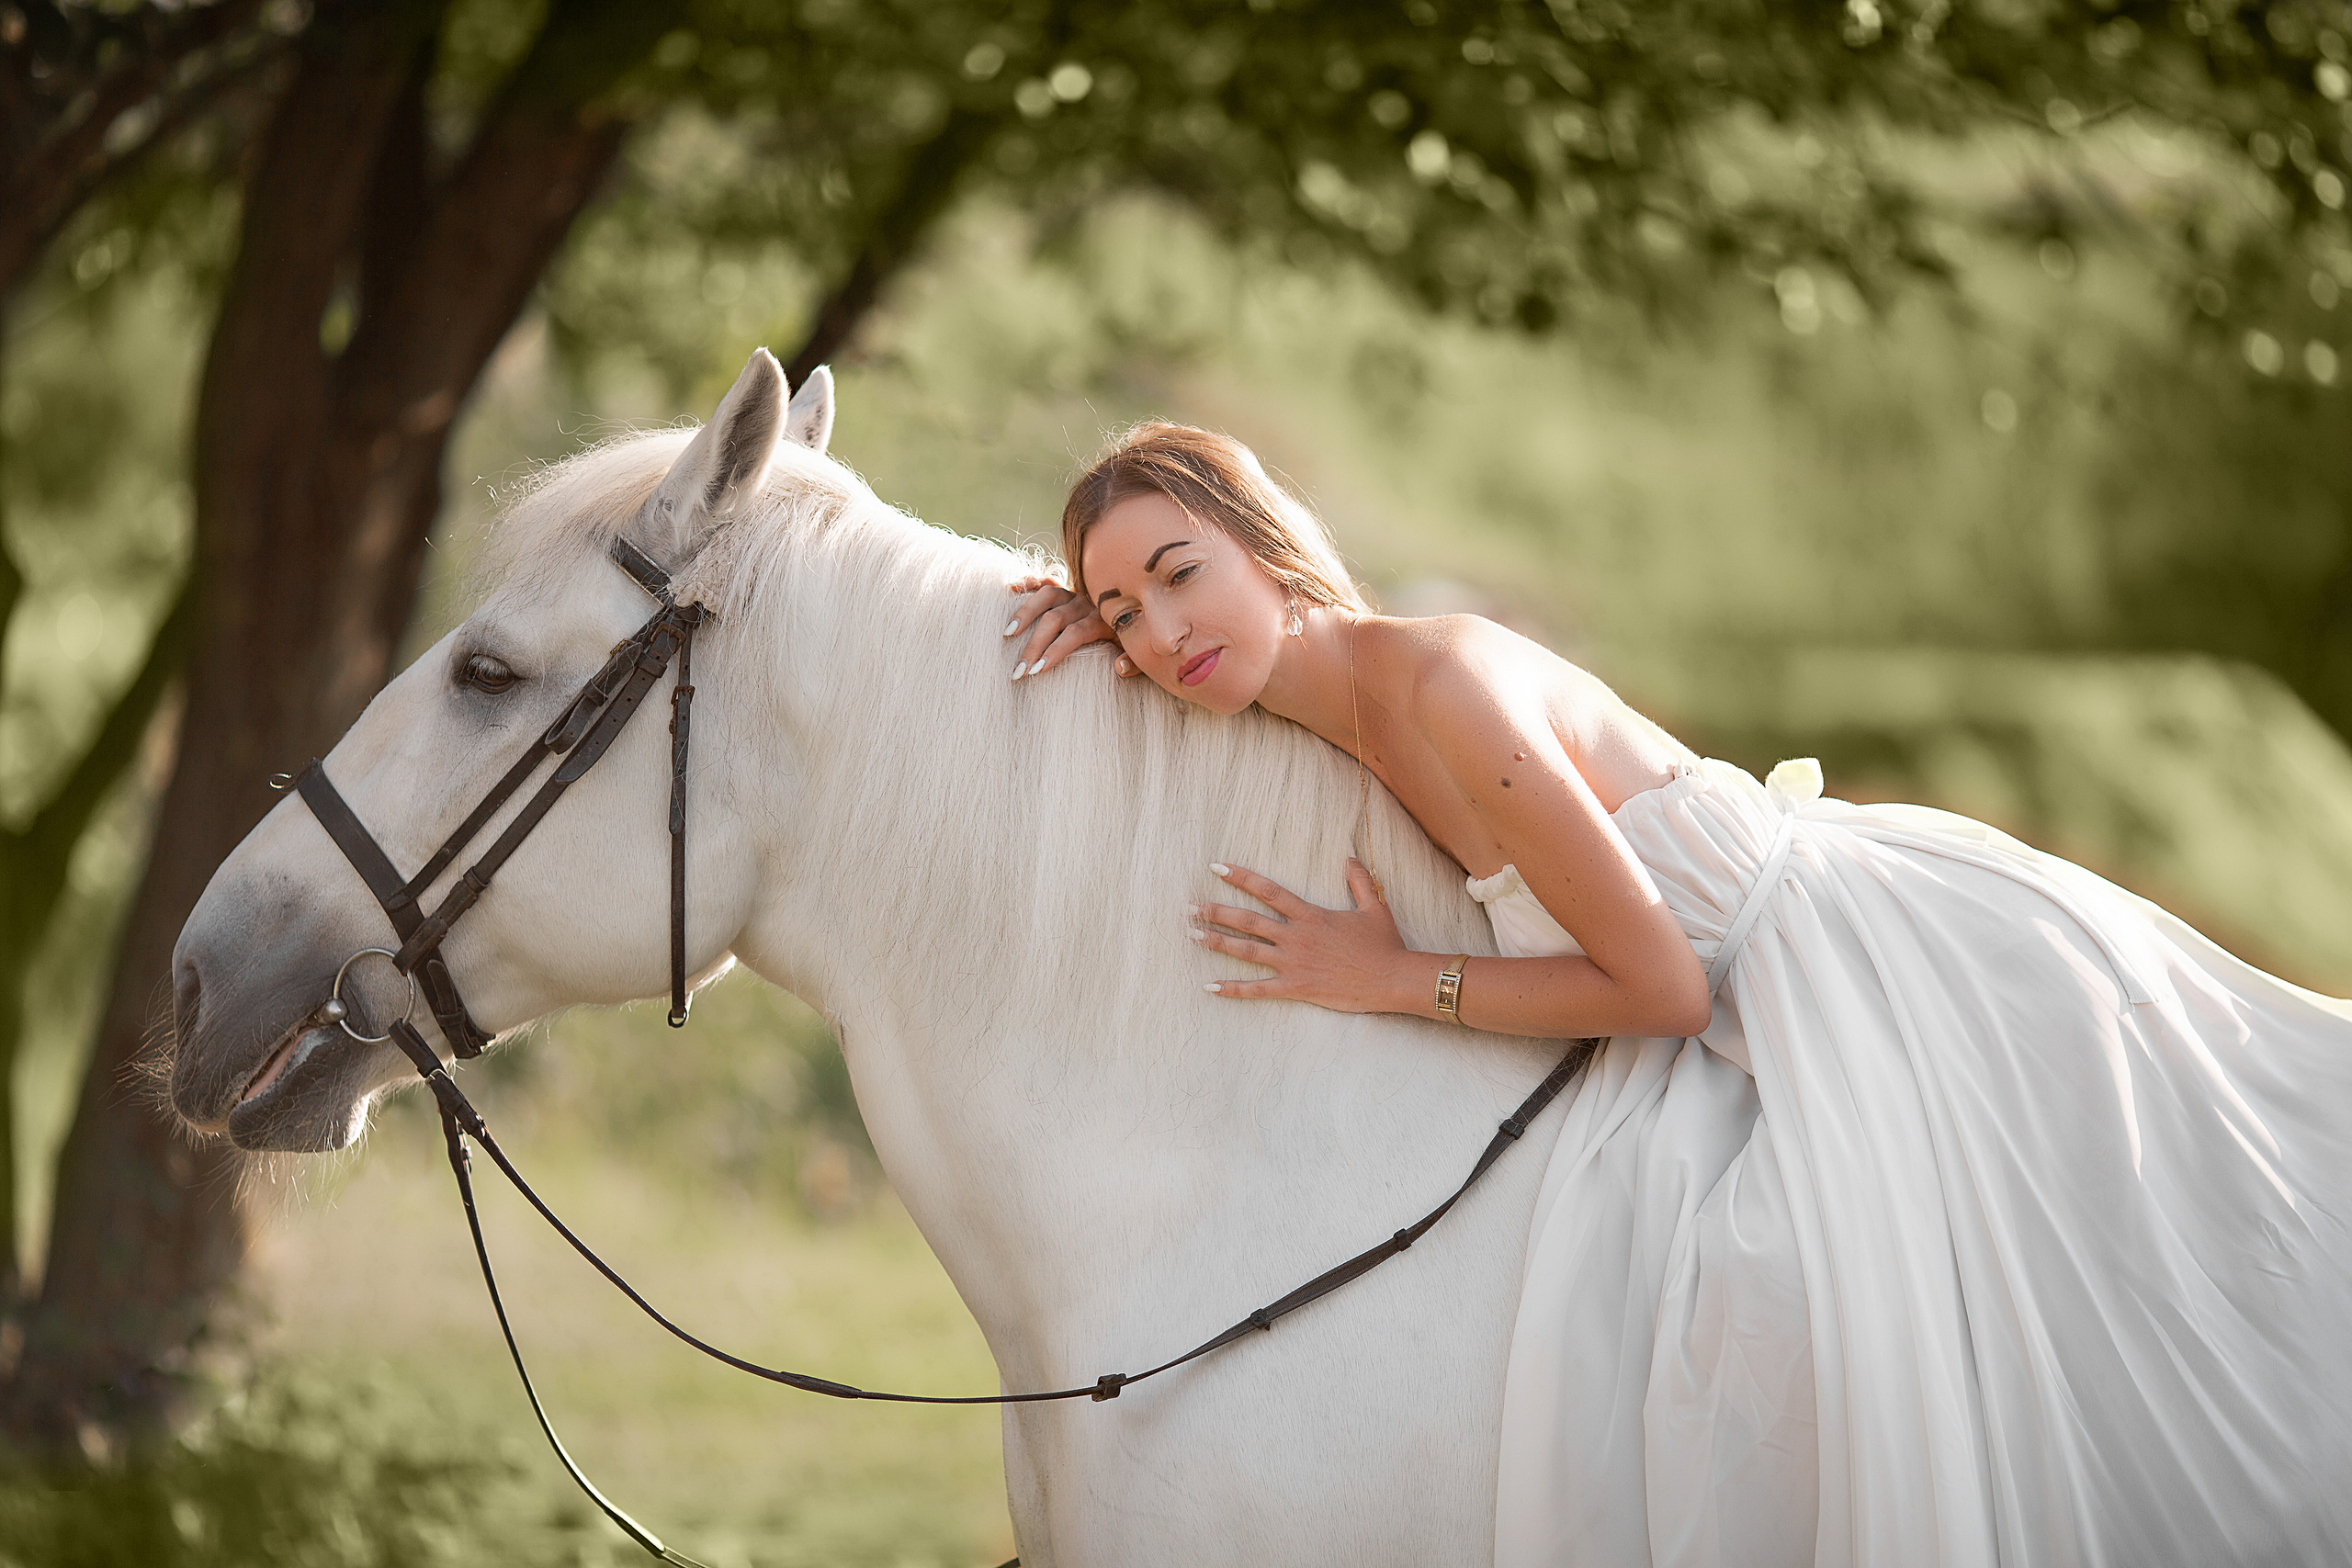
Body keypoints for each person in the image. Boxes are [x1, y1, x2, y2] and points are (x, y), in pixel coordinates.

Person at [1006, 421, 2352, 1567]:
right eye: (1124, 612)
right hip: (1759, 1019)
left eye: (1182, 574)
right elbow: (1170, 644)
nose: (1162, 631)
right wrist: (1083, 611)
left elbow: (1661, 988)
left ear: (1263, 540)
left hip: (1872, 981)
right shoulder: (1313, 700)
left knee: (2165, 1315)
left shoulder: (1445, 689)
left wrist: (1394, 977)